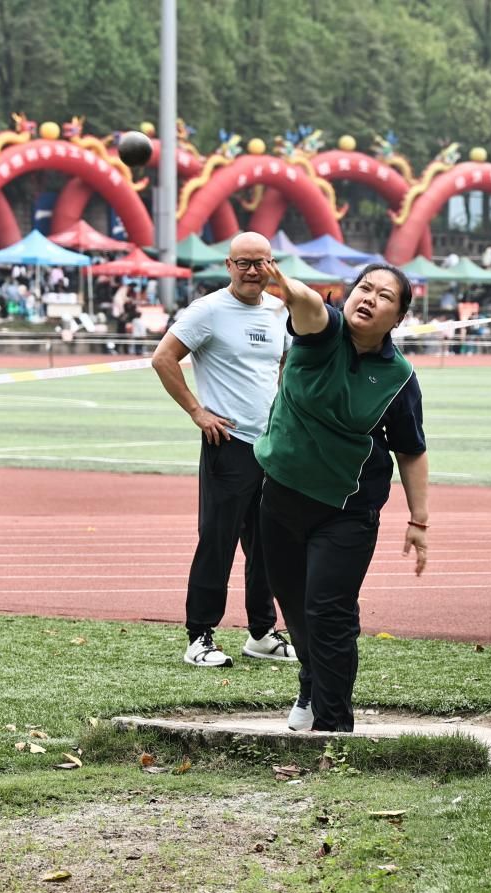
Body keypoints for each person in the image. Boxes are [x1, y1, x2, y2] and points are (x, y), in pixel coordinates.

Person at [253, 261, 429, 733]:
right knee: (296, 609)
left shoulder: (398, 377)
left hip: (347, 510)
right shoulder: (322, 332)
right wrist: (287, 287)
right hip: (281, 497)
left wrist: (419, 520)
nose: (369, 298)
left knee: (329, 614)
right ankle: (311, 681)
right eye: (364, 288)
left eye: (384, 296)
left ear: (399, 317)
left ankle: (333, 729)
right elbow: (309, 306)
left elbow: (411, 450)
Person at [151, 232, 294, 668]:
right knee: (218, 541)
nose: (252, 271)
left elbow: (285, 362)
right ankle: (199, 636)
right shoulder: (208, 310)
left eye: (260, 262)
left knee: (267, 544)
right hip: (227, 443)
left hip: (271, 446)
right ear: (229, 266)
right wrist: (198, 411)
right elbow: (163, 358)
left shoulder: (279, 311)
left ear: (272, 266)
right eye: (243, 263)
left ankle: (262, 633)